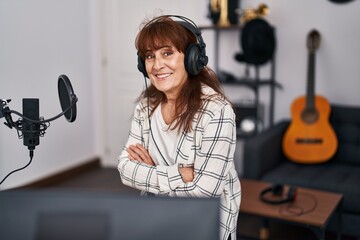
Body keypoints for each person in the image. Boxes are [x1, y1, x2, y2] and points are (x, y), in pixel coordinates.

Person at [118, 14, 241, 240]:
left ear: (193, 58)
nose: (157, 65)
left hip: (203, 225)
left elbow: (205, 192)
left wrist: (151, 171)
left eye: (167, 53)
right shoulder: (145, 108)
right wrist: (179, 173)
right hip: (156, 219)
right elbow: (125, 169)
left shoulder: (217, 111)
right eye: (149, 56)